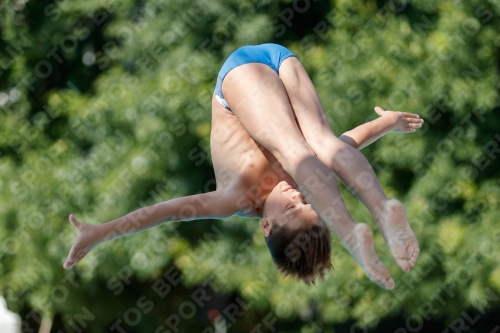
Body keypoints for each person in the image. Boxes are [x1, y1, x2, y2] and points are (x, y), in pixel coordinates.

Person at [63, 43, 424, 289]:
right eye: (310, 204)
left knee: (298, 151)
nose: (299, 195)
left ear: (266, 225)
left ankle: (352, 233)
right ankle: (380, 210)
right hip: (282, 59)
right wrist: (388, 122)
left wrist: (102, 232)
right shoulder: (309, 182)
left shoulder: (235, 199)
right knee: (324, 144)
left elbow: (166, 213)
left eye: (293, 207)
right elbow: (350, 142)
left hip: (240, 76)